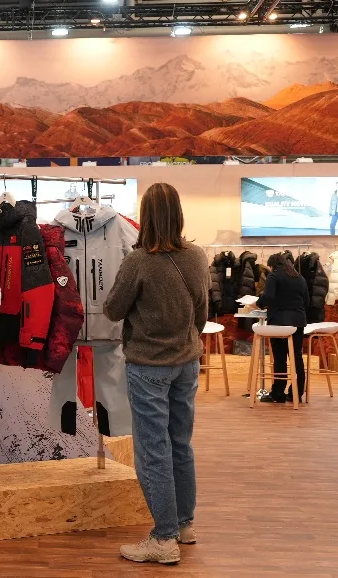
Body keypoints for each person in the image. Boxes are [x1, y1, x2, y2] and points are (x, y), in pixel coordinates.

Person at [104, 182, 209, 565]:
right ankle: (183, 524)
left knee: (153, 451)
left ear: (146, 216)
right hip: (186, 362)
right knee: (180, 444)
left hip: (149, 365)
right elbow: (202, 312)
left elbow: (113, 310)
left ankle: (163, 539)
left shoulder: (139, 261)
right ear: (178, 214)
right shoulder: (196, 256)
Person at [257, 253, 310, 403]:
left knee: (280, 357)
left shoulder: (274, 276)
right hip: (298, 322)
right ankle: (297, 393)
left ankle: (278, 393)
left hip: (279, 322)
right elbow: (307, 301)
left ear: (272, 265)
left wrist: (257, 304)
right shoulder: (299, 277)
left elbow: (268, 297)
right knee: (296, 356)